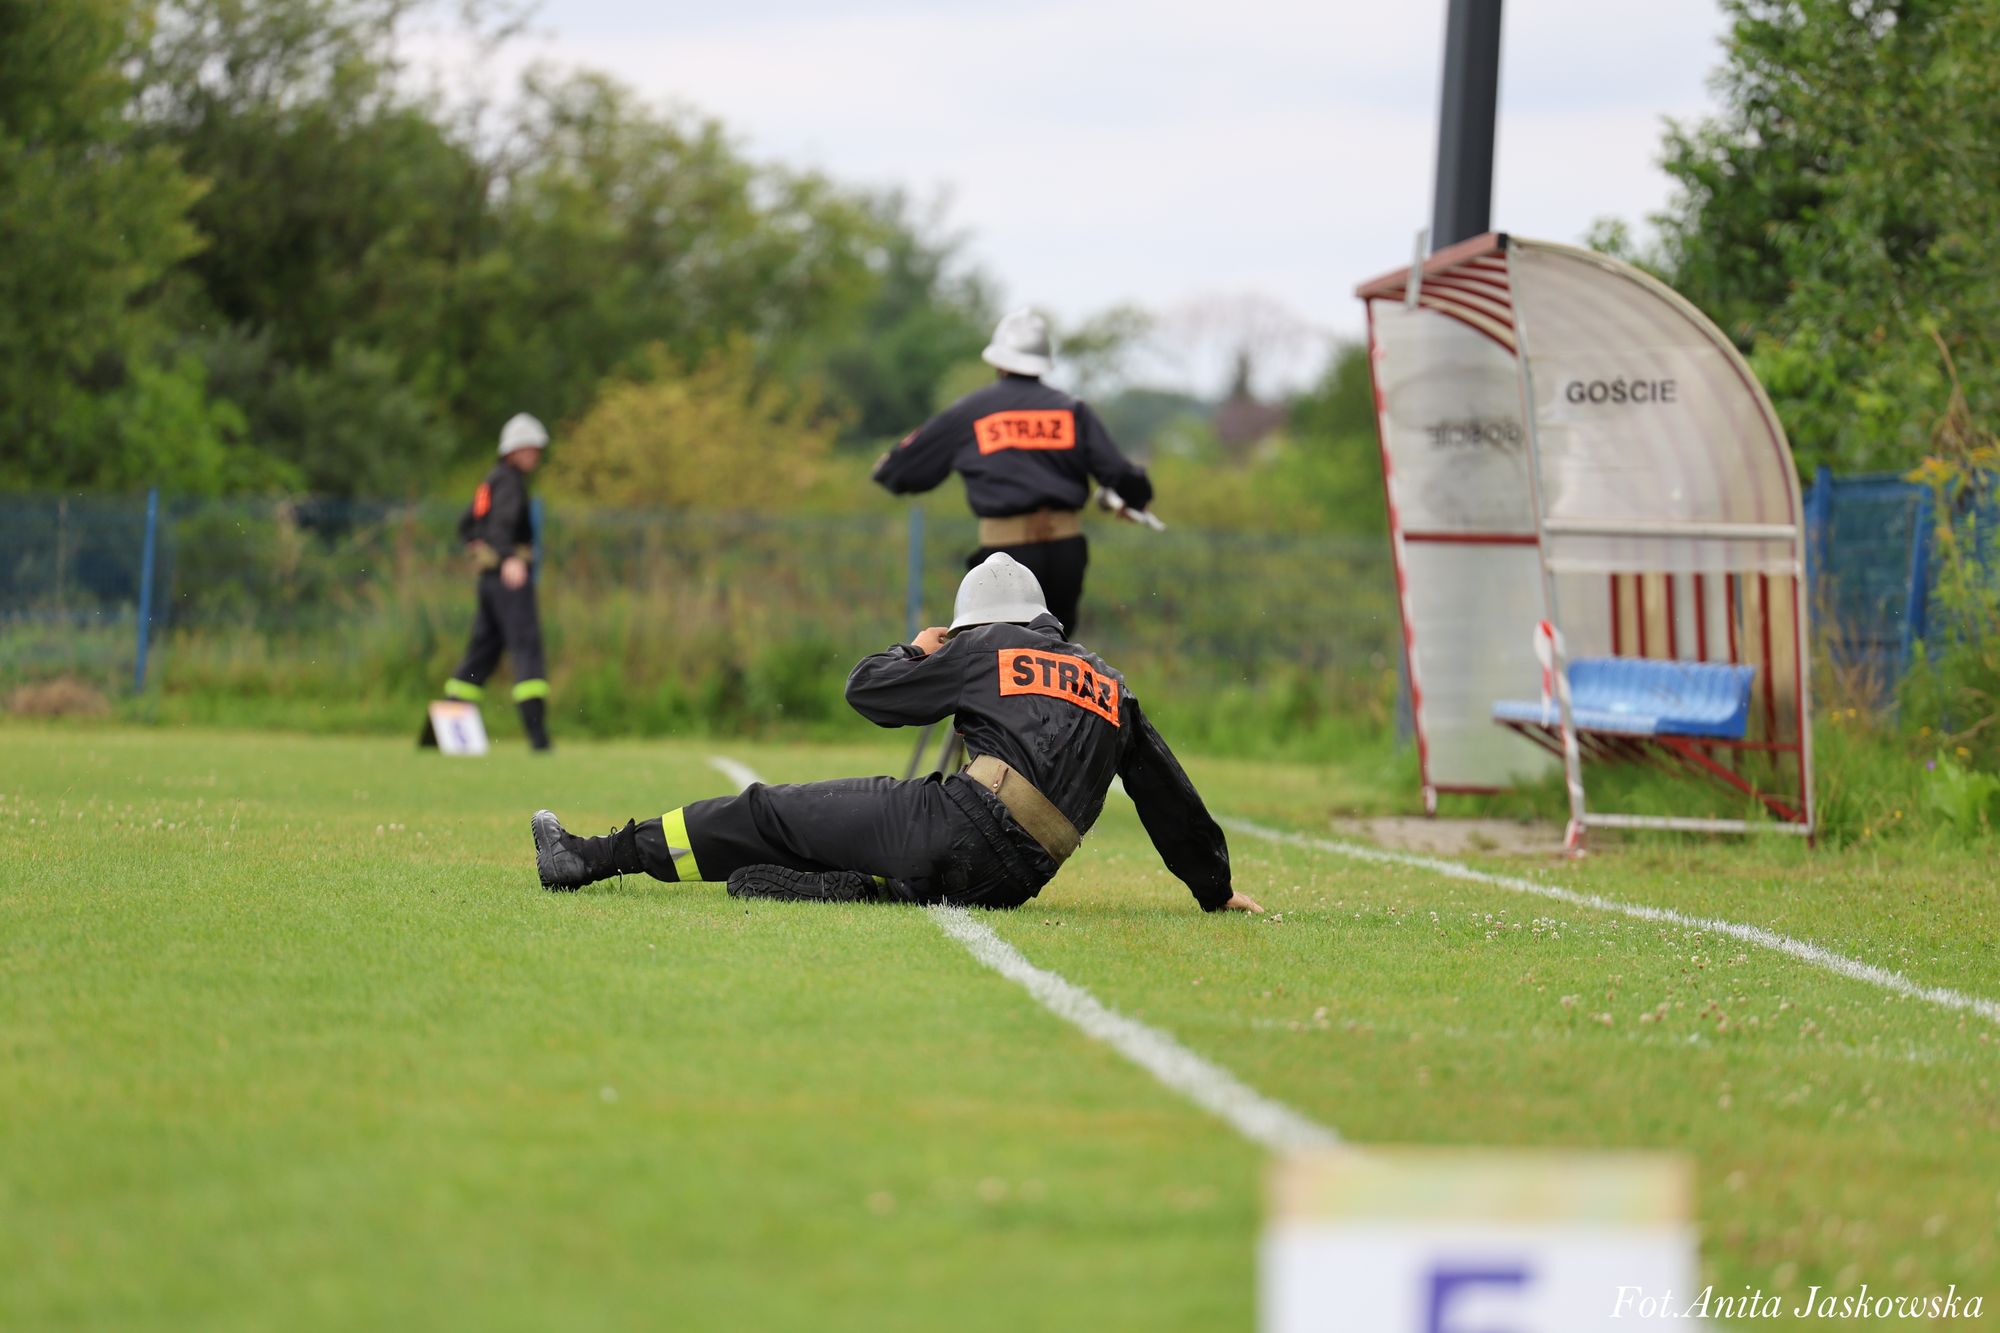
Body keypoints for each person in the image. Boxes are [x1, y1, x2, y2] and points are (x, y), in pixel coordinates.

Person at [530, 553, 1263, 914]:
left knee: (766, 812)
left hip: (959, 827)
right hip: (1020, 878)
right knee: (824, 840)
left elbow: (868, 691)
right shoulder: (1110, 682)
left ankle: (590, 858)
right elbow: (1167, 792)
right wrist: (1214, 888)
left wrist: (917, 649)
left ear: (976, 621)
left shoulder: (983, 650)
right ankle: (865, 885)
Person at [871, 309, 1154, 638]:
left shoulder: (972, 412)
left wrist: (887, 467)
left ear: (999, 362)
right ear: (1043, 362)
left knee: (995, 654)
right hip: (1066, 552)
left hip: (1003, 557)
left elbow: (905, 472)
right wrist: (1136, 500)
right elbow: (1120, 472)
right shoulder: (1072, 410)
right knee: (1056, 652)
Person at [443, 412, 552, 750]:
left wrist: (480, 546)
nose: (536, 455)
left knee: (482, 653)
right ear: (515, 451)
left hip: (488, 580)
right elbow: (501, 526)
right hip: (508, 578)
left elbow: (467, 525)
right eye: (531, 449)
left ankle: (446, 735)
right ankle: (539, 741)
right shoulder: (510, 482)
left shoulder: (490, 481)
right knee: (526, 649)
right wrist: (508, 558)